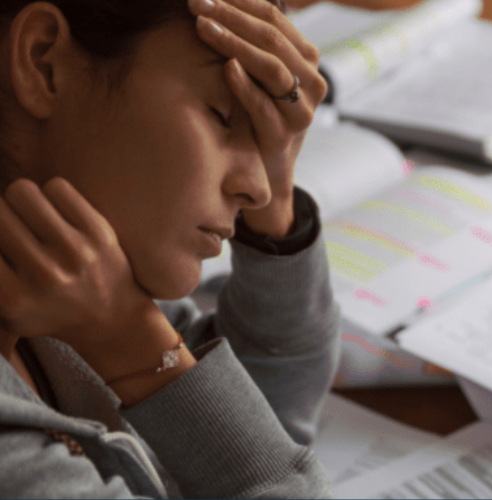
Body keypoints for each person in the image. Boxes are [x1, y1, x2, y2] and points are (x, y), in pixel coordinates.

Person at [0, 0, 340, 497]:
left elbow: (256, 417)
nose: (259, 188)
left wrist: (278, 202)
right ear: (43, 61)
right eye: (223, 115)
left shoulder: (66, 275)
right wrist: (132, 342)